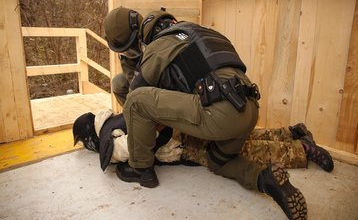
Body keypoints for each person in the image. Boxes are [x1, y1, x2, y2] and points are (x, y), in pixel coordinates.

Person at [106, 9, 308, 219]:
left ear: (147, 35)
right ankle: (266, 179)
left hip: (220, 113)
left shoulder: (160, 45)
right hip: (249, 108)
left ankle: (141, 170)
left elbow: (135, 96)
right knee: (220, 162)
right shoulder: (204, 34)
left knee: (137, 102)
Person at [73, 110, 333, 172]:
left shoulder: (109, 137)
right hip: (184, 127)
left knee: (244, 152)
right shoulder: (115, 117)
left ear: (90, 138)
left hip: (182, 145)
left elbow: (133, 147)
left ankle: (303, 150)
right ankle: (292, 132)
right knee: (240, 138)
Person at [103, 7, 143, 105]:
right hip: (143, 81)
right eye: (125, 51)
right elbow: (131, 77)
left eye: (131, 47)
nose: (129, 53)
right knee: (118, 83)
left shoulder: (155, 36)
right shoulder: (126, 51)